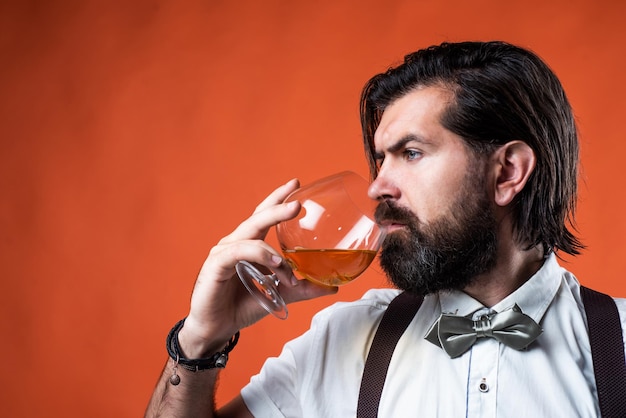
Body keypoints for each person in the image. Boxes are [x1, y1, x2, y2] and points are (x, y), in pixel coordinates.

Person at [145, 41, 626, 417]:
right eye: (380, 159)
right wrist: (200, 343)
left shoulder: (620, 343)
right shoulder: (348, 339)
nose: (377, 187)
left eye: (411, 153)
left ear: (507, 173)